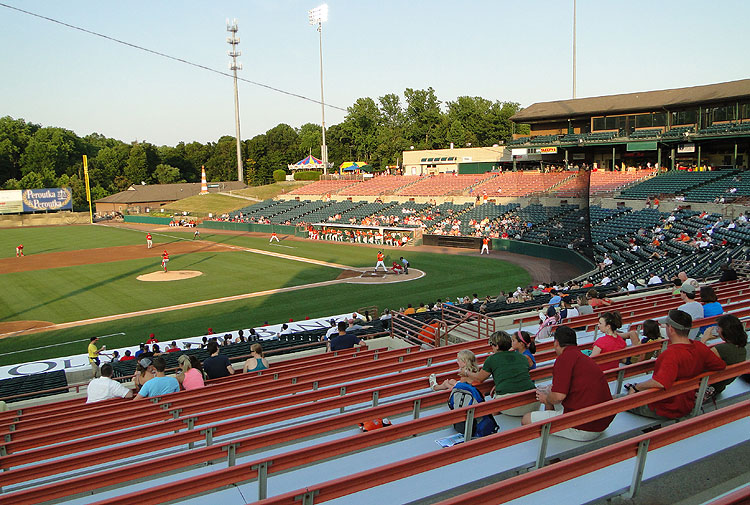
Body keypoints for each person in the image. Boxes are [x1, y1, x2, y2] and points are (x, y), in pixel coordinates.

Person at [625, 310, 726, 420]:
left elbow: (660, 383)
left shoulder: (671, 354)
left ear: (671, 329)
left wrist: (637, 387)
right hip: (687, 402)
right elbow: (720, 366)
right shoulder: (700, 347)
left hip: (665, 407)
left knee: (615, 400)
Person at [521, 326, 616, 441]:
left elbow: (558, 397)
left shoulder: (563, 359)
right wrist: (550, 395)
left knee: (526, 419)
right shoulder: (583, 358)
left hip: (585, 427)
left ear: (556, 343)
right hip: (602, 419)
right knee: (551, 397)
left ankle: (547, 450)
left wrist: (547, 398)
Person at [461, 331, 538, 416]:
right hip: (534, 401)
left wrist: (466, 372)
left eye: (491, 344)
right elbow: (516, 374)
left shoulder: (492, 359)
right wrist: (499, 384)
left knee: (489, 408)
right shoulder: (522, 357)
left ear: (497, 346)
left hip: (514, 406)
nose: (491, 348)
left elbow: (479, 378)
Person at [700, 314, 747, 396]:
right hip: (719, 386)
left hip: (706, 387)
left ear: (726, 331)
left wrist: (704, 338)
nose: (717, 331)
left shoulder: (721, 349)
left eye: (718, 328)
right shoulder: (742, 349)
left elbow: (696, 360)